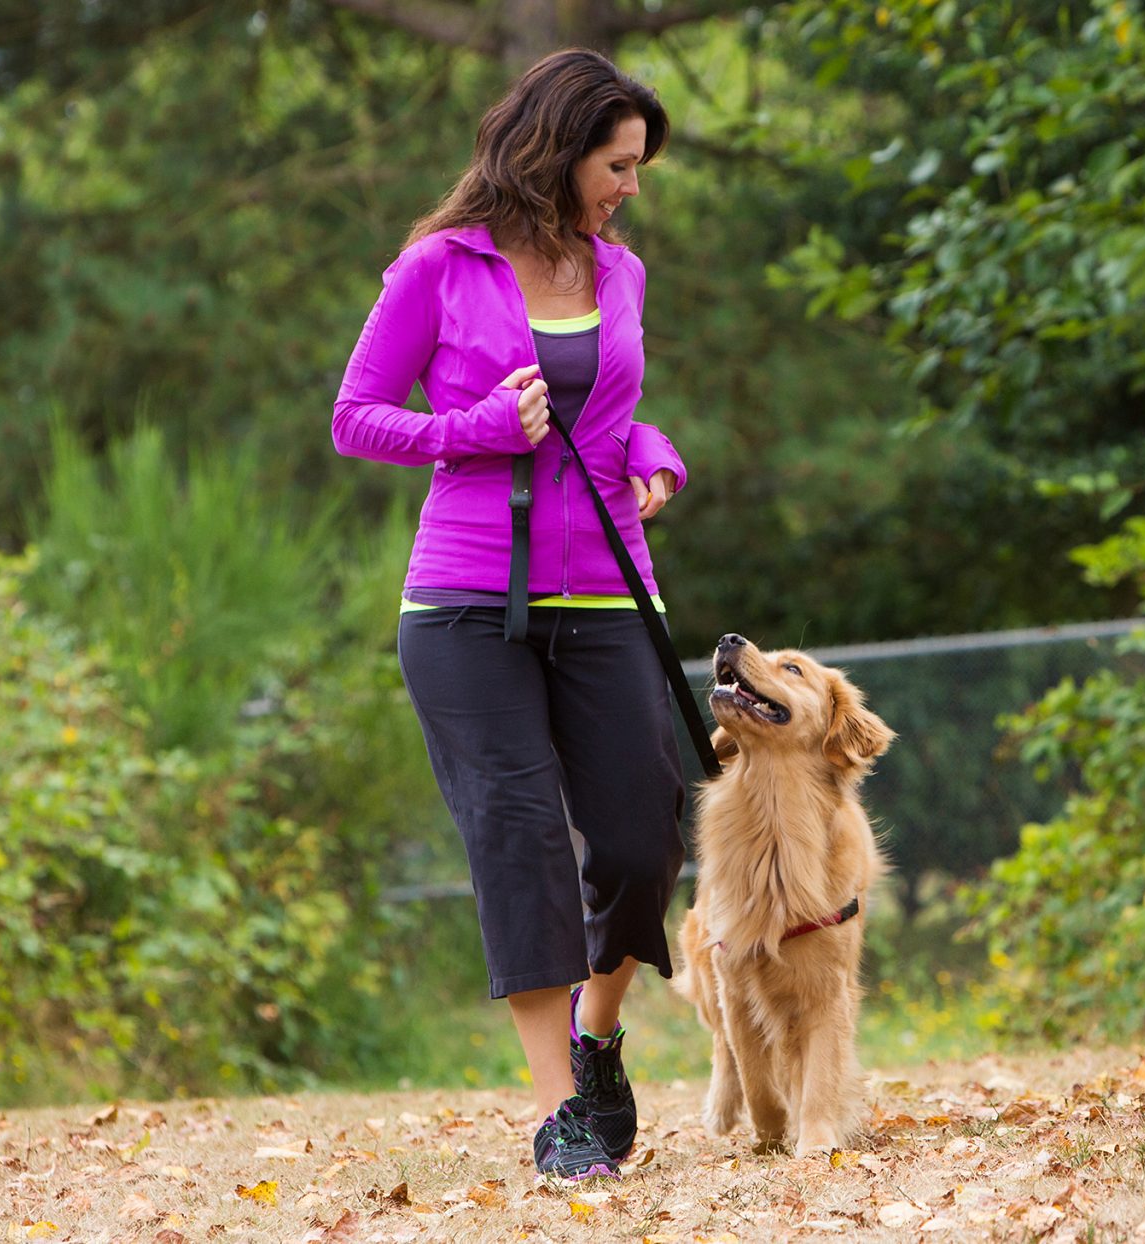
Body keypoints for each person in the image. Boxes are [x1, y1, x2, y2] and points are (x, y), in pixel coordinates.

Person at [329, 48, 686, 1182]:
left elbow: (619, 415)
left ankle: (597, 1035)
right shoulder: (437, 267)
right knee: (519, 838)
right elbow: (356, 416)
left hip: (607, 589)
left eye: (635, 166)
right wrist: (468, 427)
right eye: (617, 164)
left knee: (644, 833)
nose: (629, 185)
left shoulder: (616, 271)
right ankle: (558, 1115)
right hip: (465, 600)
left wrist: (660, 462)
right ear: (559, 148)